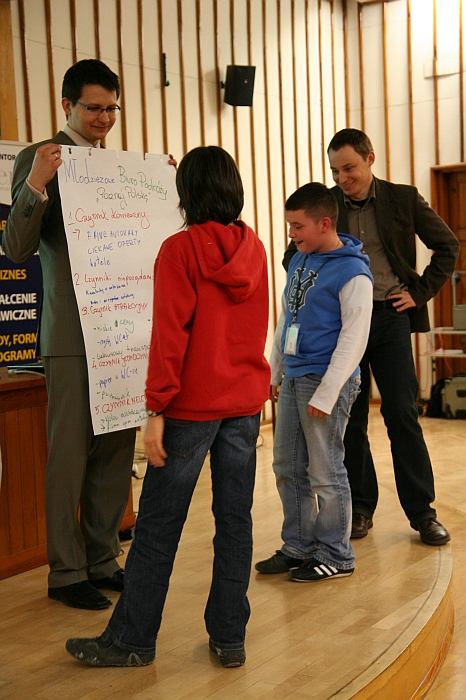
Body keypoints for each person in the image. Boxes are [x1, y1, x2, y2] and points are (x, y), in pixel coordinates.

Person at [65, 145, 270, 669]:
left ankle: (131, 640)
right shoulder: (255, 247)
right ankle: (229, 637)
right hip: (244, 404)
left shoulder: (178, 250)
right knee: (235, 523)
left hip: (191, 408)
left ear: (187, 193)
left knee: (157, 527)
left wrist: (155, 409)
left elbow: (169, 337)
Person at [3, 60, 137, 610]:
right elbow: (15, 249)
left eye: (112, 108)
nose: (104, 118)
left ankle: (103, 559)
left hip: (122, 328)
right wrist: (37, 182)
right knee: (69, 455)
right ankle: (66, 572)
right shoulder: (41, 158)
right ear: (67, 106)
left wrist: (163, 191)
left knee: (116, 447)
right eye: (93, 108)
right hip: (71, 333)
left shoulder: (120, 168)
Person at [284, 128, 460, 546]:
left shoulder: (404, 198)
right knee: (352, 420)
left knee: (402, 414)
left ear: (370, 159)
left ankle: (422, 513)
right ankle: (361, 509)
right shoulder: (327, 204)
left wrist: (418, 292)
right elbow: (293, 255)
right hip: (342, 326)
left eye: (349, 168)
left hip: (390, 318)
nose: (342, 178)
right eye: (335, 170)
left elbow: (448, 245)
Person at [256, 182, 373, 582]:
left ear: (325, 223)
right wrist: (275, 370)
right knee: (287, 466)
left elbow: (354, 340)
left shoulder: (353, 273)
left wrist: (327, 393)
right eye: (289, 225)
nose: (291, 234)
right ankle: (299, 546)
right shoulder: (300, 261)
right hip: (294, 377)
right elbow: (286, 319)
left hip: (327, 382)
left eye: (298, 226)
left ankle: (336, 554)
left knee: (325, 472)